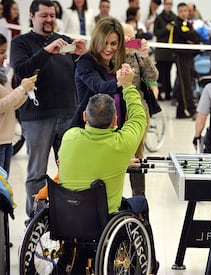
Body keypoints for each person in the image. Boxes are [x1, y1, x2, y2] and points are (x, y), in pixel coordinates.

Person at [58, 64, 158, 274]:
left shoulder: (69, 138)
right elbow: (139, 117)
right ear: (115, 121)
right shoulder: (121, 144)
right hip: (103, 219)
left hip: (66, 216)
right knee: (140, 202)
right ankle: (149, 264)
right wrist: (129, 86)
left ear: (85, 117)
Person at [10, 0, 86, 217]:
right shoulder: (20, 43)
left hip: (68, 116)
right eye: (44, 15)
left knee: (71, 171)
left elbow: (81, 74)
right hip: (37, 118)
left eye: (52, 15)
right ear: (32, 16)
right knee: (37, 173)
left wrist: (82, 55)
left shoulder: (65, 42)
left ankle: (70, 218)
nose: (49, 20)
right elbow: (22, 70)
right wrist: (46, 51)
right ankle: (36, 219)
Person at [123, 23, 159, 196]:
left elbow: (152, 77)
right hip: (115, 110)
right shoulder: (110, 56)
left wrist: (145, 56)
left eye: (131, 37)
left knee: (137, 155)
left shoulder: (138, 56)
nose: (128, 40)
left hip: (138, 111)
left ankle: (139, 198)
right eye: (125, 36)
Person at [71, 17, 125, 128]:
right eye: (104, 43)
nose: (108, 48)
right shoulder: (85, 61)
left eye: (113, 43)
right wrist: (121, 81)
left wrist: (139, 47)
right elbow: (100, 87)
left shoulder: (114, 64)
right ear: (97, 40)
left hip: (115, 129)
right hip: (89, 132)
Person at [0, 34, 37, 174]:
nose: (5, 56)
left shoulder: (3, 77)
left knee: (4, 189)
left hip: (6, 142)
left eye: (5, 51)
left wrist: (26, 92)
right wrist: (21, 89)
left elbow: (11, 105)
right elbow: (2, 105)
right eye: (1, 52)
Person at [169, 2, 200, 119]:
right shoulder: (175, 24)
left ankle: (180, 111)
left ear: (188, 12)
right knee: (185, 83)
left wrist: (188, 37)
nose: (183, 13)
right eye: (181, 11)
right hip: (180, 56)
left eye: (185, 11)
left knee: (187, 82)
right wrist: (188, 37)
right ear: (178, 12)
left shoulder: (189, 23)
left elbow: (196, 38)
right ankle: (192, 110)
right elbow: (179, 37)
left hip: (189, 56)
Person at [153, 0, 177, 101]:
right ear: (164, 5)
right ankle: (158, 94)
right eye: (167, 4)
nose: (169, 6)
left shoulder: (175, 17)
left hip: (170, 51)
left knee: (168, 72)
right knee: (159, 73)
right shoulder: (159, 17)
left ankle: (168, 93)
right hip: (160, 51)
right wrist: (166, 29)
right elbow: (156, 32)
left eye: (170, 4)